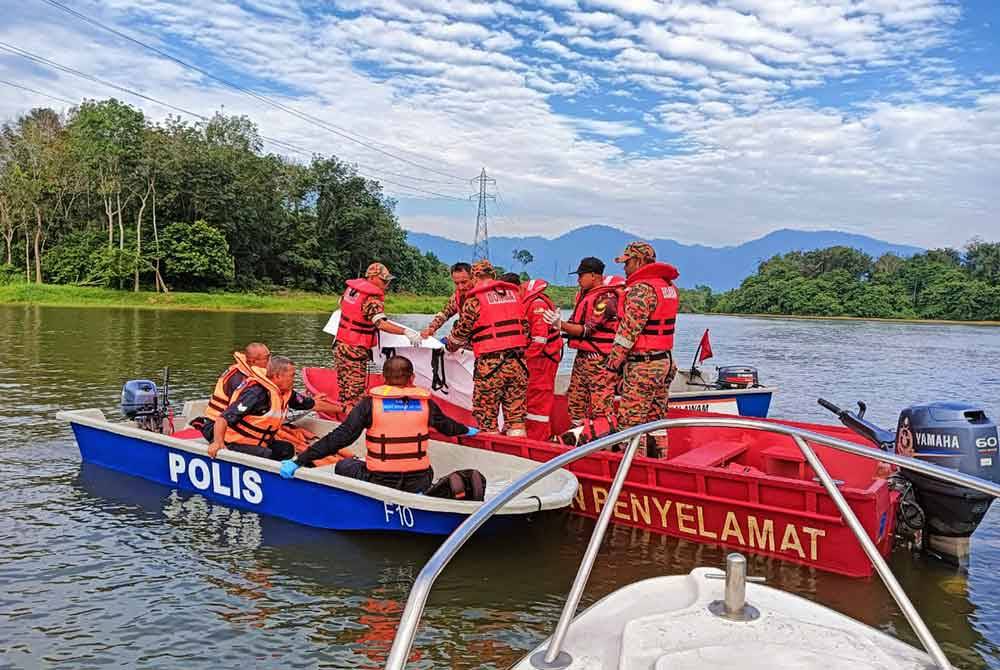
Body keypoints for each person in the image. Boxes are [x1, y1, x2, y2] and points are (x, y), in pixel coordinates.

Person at [278, 356, 476, 493]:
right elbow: (449, 427)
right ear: (412, 378)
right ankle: (420, 492)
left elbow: (341, 437)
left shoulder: (370, 404)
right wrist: (467, 430)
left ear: (383, 379)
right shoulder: (426, 404)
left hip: (380, 478)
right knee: (427, 468)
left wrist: (300, 460)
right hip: (420, 479)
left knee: (344, 465)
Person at [605, 242, 680, 458]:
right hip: (664, 362)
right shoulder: (669, 288)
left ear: (638, 261)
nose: (624, 268)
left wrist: (611, 367)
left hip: (644, 366)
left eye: (627, 262)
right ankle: (658, 464)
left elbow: (627, 335)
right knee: (656, 421)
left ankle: (631, 470)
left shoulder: (641, 290)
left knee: (630, 425)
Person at [444, 259, 529, 436]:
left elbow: (460, 333)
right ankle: (519, 454)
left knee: (487, 417)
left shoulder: (474, 300)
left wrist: (449, 345)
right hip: (519, 365)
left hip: (491, 367)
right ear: (494, 276)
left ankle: (491, 454)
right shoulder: (515, 296)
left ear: (474, 277)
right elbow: (525, 330)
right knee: (516, 417)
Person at [544, 257, 624, 429]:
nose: (578, 279)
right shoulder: (586, 296)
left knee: (601, 407)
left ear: (594, 275)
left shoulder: (607, 299)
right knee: (575, 402)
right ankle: (578, 437)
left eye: (581, 275)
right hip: (583, 357)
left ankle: (604, 446)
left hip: (599, 359)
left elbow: (588, 330)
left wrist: (560, 325)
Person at [333, 262, 423, 411]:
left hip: (340, 346)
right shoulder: (372, 299)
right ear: (372, 277)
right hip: (354, 351)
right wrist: (406, 332)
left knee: (345, 389)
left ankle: (344, 414)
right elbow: (381, 324)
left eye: (388, 280)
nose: (386, 284)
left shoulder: (351, 291)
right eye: (383, 280)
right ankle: (353, 426)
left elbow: (344, 308)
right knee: (356, 394)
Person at [207, 356, 320, 461]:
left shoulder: (284, 393)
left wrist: (338, 408)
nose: (294, 379)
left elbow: (310, 404)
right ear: (277, 376)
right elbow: (223, 419)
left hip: (258, 441)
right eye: (292, 375)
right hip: (235, 441)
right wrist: (218, 443)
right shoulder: (256, 394)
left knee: (287, 449)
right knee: (267, 454)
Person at [197, 342, 270, 442]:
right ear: (253, 361)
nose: (270, 362)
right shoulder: (238, 379)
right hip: (216, 425)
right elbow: (236, 411)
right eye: (267, 358)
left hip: (229, 421)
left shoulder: (248, 373)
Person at [521, 278, 563, 440]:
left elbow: (539, 339)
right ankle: (537, 433)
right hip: (540, 358)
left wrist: (524, 359)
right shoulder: (532, 303)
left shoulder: (537, 305)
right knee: (534, 397)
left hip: (542, 359)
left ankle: (539, 436)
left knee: (539, 398)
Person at [420, 262, 473, 339]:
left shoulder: (482, 296)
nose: (460, 287)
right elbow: (445, 313)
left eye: (464, 282)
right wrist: (431, 328)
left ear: (473, 278)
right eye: (456, 283)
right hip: (466, 339)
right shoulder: (457, 296)